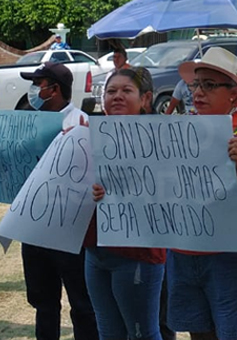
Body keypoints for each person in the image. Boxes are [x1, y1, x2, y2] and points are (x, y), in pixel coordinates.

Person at [167, 46, 237, 340]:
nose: (198, 92)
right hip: (182, 249)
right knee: (198, 331)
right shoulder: (178, 129)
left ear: (233, 94)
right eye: (195, 84)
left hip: (228, 253)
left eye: (209, 85)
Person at [18, 61, 99, 340]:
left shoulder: (81, 123)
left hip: (70, 229)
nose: (33, 90)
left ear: (54, 90)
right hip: (34, 225)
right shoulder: (27, 120)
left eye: (38, 84)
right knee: (43, 302)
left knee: (82, 302)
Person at [85, 67, 167, 340]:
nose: (116, 96)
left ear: (145, 99)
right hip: (95, 250)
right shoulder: (86, 135)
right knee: (108, 332)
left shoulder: (163, 140)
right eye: (111, 91)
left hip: (138, 255)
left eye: (126, 90)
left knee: (141, 333)